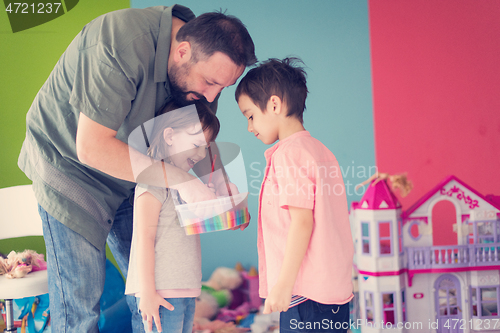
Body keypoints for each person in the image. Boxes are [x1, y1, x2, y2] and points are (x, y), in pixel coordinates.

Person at [17, 4, 256, 332]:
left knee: (157, 290)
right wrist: (183, 181)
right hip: (71, 166)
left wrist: (220, 186)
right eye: (211, 82)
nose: (212, 95)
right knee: (81, 303)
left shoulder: (199, 67)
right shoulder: (118, 42)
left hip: (137, 171)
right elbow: (93, 148)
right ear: (182, 51)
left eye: (222, 88)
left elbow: (197, 132)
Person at [235, 58, 354, 332]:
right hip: (331, 292)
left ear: (274, 105)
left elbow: (302, 222)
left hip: (305, 294)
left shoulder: (289, 154)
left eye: (250, 115)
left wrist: (283, 285)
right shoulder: (320, 151)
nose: (250, 127)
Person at [125, 101, 220, 333]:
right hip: (161, 291)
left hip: (186, 290)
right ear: (169, 136)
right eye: (197, 144)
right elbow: (143, 238)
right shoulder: (153, 179)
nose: (201, 154)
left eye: (205, 147)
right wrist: (147, 292)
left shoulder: (185, 185)